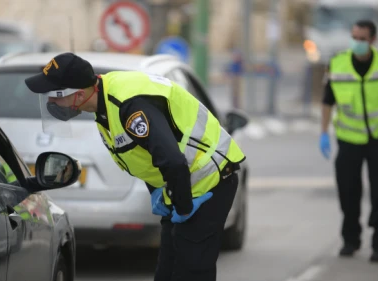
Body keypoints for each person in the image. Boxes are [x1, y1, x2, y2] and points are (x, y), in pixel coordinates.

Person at [24, 52, 246, 281]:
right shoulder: (102, 106)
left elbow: (173, 160)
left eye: (53, 97)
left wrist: (184, 208)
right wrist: (159, 191)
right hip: (183, 184)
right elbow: (146, 156)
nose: (50, 104)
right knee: (167, 271)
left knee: (191, 270)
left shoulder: (128, 106)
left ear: (78, 95)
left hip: (210, 180)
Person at [320, 20, 378, 263]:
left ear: (372, 40)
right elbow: (327, 100)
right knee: (348, 193)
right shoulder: (337, 64)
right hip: (348, 139)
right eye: (354, 37)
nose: (356, 43)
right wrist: (323, 133)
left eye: (362, 38)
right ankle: (351, 240)